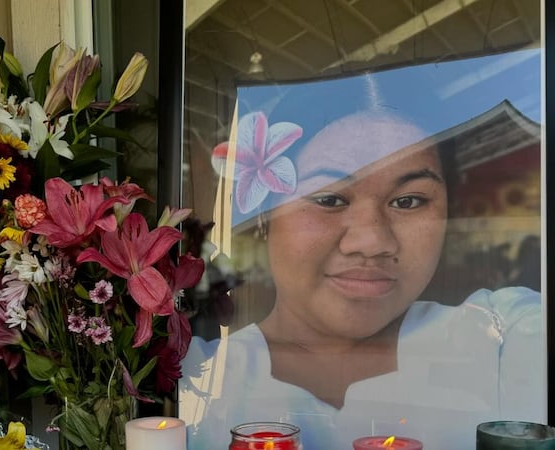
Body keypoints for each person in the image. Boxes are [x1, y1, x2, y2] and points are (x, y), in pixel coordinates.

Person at [180, 110, 544, 450]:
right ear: (263, 216)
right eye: (328, 199)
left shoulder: (502, 340)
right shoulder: (198, 379)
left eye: (408, 201)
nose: (371, 243)